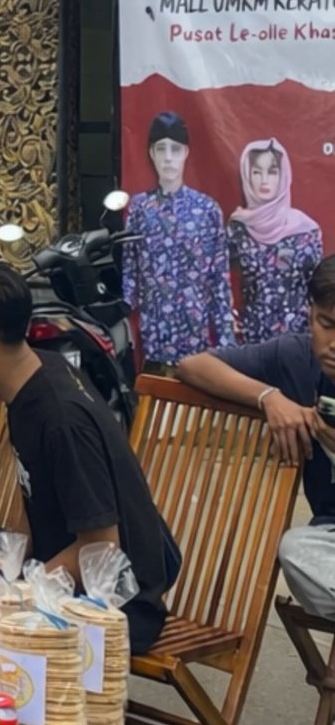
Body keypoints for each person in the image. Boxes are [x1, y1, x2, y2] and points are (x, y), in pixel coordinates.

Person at [0, 260, 180, 653]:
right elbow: (30, 486)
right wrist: (11, 561)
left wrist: (12, 595)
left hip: (115, 603)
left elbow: (102, 547)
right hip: (58, 563)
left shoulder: (62, 419)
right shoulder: (34, 374)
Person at [176, 255, 335, 620]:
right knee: (294, 549)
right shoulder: (294, 356)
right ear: (311, 314)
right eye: (327, 324)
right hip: (328, 539)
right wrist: (269, 397)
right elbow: (192, 365)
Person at [122, 111, 235, 370]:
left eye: (175, 149)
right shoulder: (140, 208)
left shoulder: (207, 210)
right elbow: (130, 275)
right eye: (161, 149)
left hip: (196, 342)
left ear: (186, 152)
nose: (168, 158)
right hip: (154, 341)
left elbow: (219, 280)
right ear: (152, 153)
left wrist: (227, 345)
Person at [230, 138, 323, 344]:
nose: (264, 180)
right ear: (247, 175)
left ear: (283, 176)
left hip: (299, 343)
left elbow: (319, 292)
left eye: (272, 171)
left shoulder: (307, 231)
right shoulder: (238, 229)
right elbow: (218, 279)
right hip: (254, 343)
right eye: (256, 172)